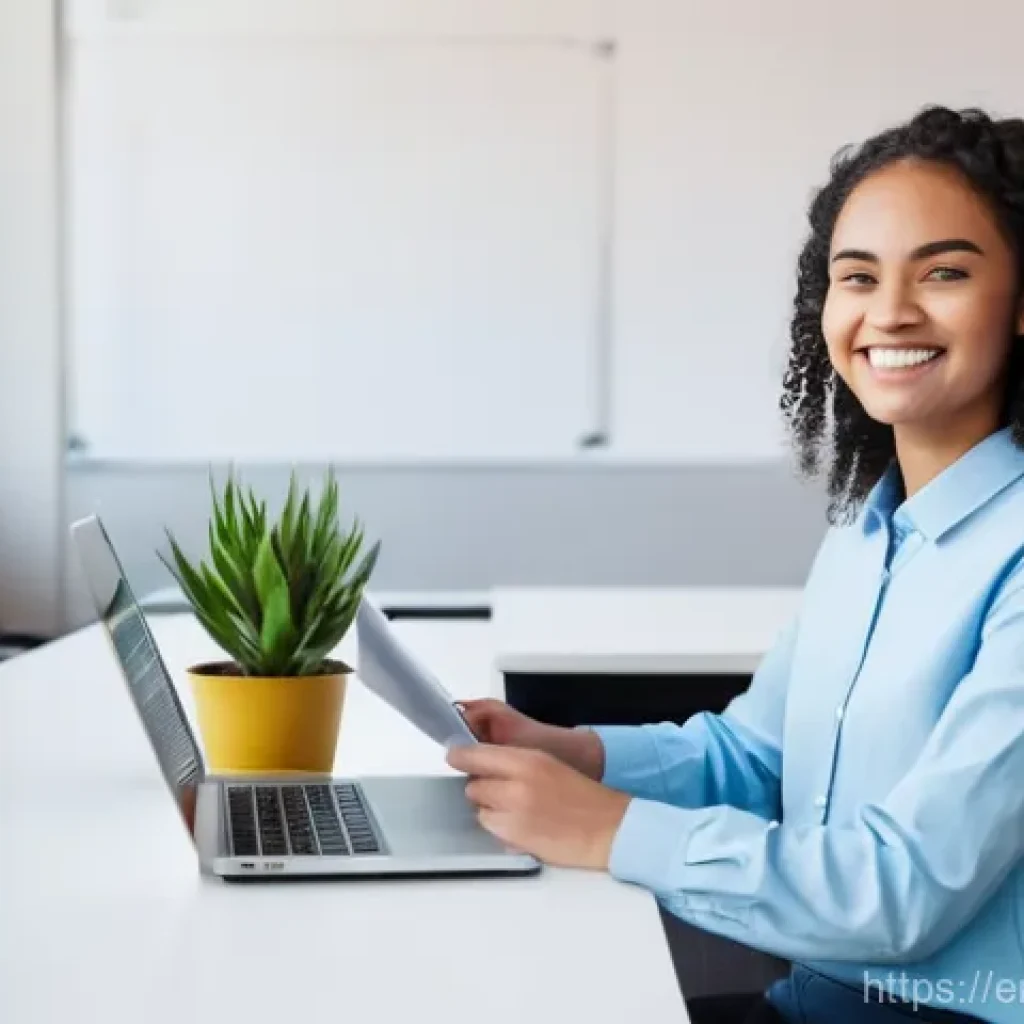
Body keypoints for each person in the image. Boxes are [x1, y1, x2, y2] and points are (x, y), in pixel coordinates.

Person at [447, 105, 1024, 1024]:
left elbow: (905, 890)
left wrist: (609, 829)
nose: (891, 313)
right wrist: (574, 753)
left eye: (944, 272)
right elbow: (757, 757)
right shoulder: (871, 529)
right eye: (857, 277)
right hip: (814, 1001)